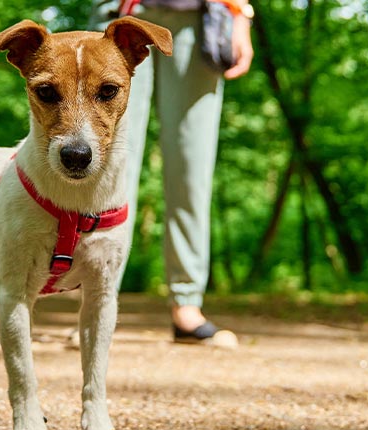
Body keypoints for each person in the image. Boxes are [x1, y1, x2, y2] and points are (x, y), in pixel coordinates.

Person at [90, 0, 254, 347]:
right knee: (110, 163)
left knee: (192, 169)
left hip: (200, 20)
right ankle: (97, 304)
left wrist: (241, 15)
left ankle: (187, 305)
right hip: (125, 13)